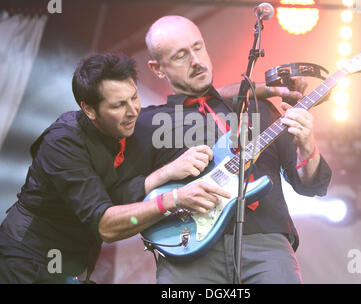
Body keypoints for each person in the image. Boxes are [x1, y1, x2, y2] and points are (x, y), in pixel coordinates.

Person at [0, 53, 237, 284]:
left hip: (73, 263)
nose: (133, 110)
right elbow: (106, 225)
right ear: (90, 109)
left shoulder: (125, 122)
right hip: (27, 259)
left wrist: (260, 89)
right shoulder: (62, 144)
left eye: (134, 97)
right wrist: (174, 199)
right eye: (119, 105)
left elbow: (202, 98)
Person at [134, 15, 332, 284]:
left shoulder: (258, 108)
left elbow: (310, 185)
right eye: (181, 56)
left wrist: (307, 144)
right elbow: (123, 193)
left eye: (198, 47)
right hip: (186, 250)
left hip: (265, 243)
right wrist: (167, 173)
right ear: (157, 68)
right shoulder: (147, 123)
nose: (196, 61)